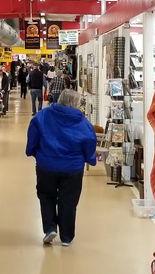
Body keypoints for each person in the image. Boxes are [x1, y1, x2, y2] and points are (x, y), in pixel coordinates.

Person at [25, 89, 96, 247]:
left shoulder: (42, 116)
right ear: (75, 103)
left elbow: (33, 136)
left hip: (46, 165)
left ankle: (50, 228)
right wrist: (89, 159)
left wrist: (33, 152)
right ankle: (66, 237)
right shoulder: (82, 122)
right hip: (72, 168)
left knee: (46, 196)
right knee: (69, 200)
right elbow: (90, 142)